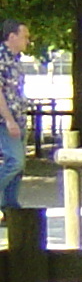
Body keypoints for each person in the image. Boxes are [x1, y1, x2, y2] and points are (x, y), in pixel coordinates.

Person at [0, 19, 27, 210]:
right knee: (14, 161)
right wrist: (9, 120)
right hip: (5, 120)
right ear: (12, 36)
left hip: (19, 119)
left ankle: (10, 208)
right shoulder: (1, 58)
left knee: (20, 167)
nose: (28, 41)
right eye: (24, 36)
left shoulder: (16, 60)